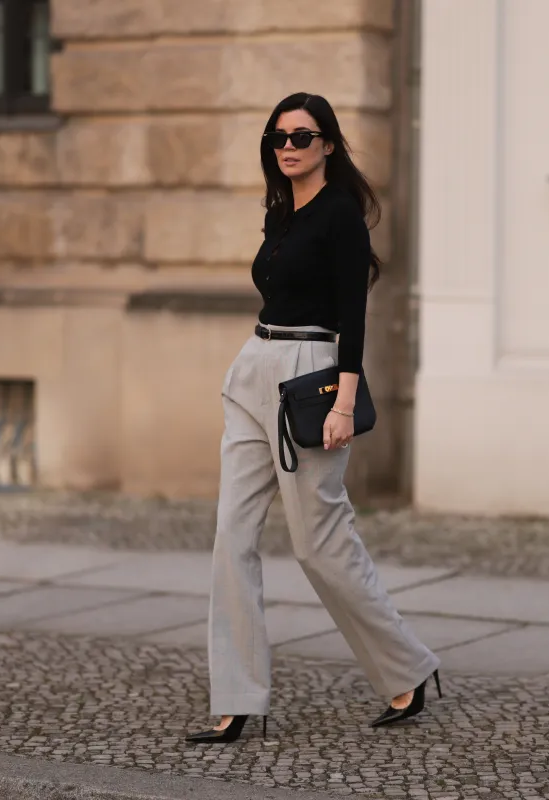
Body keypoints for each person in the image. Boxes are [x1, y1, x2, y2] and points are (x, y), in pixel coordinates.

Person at [186, 92, 442, 744]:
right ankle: (236, 698)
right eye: (278, 137)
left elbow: (353, 317)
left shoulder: (341, 215)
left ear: (328, 143)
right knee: (230, 537)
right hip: (254, 368)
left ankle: (407, 668)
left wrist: (344, 403)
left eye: (302, 136)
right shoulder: (280, 211)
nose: (289, 146)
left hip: (310, 377)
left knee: (319, 543)